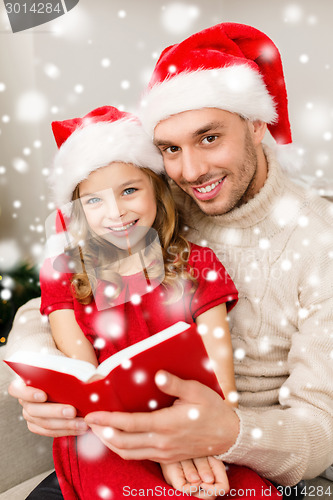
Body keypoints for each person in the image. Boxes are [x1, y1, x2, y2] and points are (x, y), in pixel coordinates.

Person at [7, 21, 333, 496]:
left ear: (258, 124)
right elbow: (54, 296)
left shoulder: (318, 242)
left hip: (242, 457)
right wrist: (40, 373)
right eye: (170, 150)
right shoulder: (155, 207)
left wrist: (225, 434)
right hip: (123, 433)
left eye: (208, 138)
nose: (191, 171)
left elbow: (320, 431)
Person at [13, 104, 279, 499]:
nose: (116, 212)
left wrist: (189, 445)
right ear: (79, 210)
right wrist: (155, 450)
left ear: (157, 190)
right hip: (108, 433)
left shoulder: (197, 264)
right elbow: (89, 385)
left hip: (193, 423)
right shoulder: (64, 275)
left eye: (130, 190)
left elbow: (222, 384)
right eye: (94, 201)